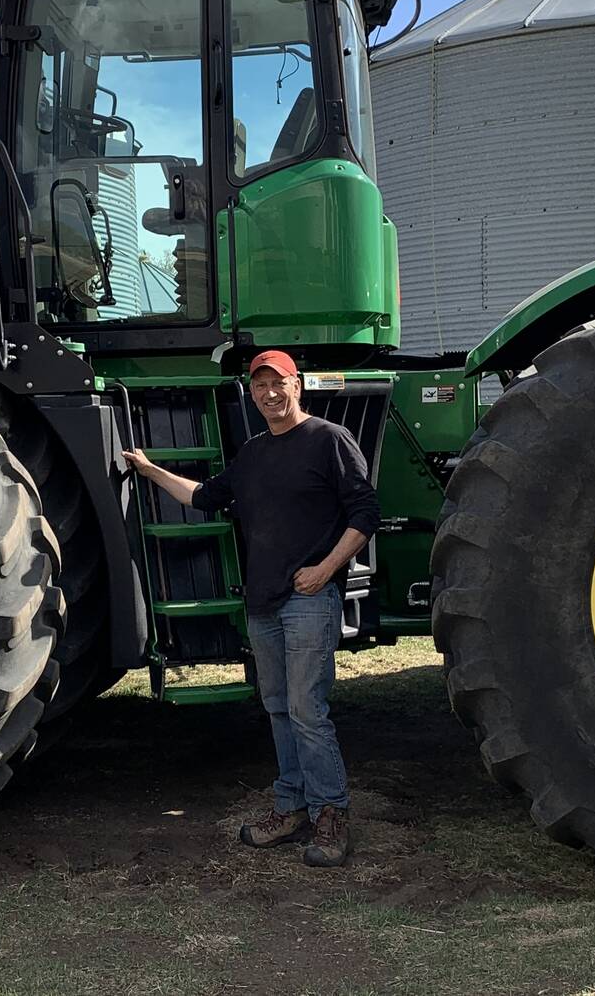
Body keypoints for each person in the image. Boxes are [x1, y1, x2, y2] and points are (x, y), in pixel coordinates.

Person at [122, 349, 380, 868]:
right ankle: (291, 807)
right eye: (260, 386)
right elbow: (202, 497)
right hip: (262, 605)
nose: (269, 394)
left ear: (297, 385)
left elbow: (366, 512)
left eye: (278, 384)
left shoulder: (329, 440)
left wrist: (326, 569)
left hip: (308, 600)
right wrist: (150, 471)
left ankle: (331, 814)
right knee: (279, 708)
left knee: (308, 711)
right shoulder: (254, 453)